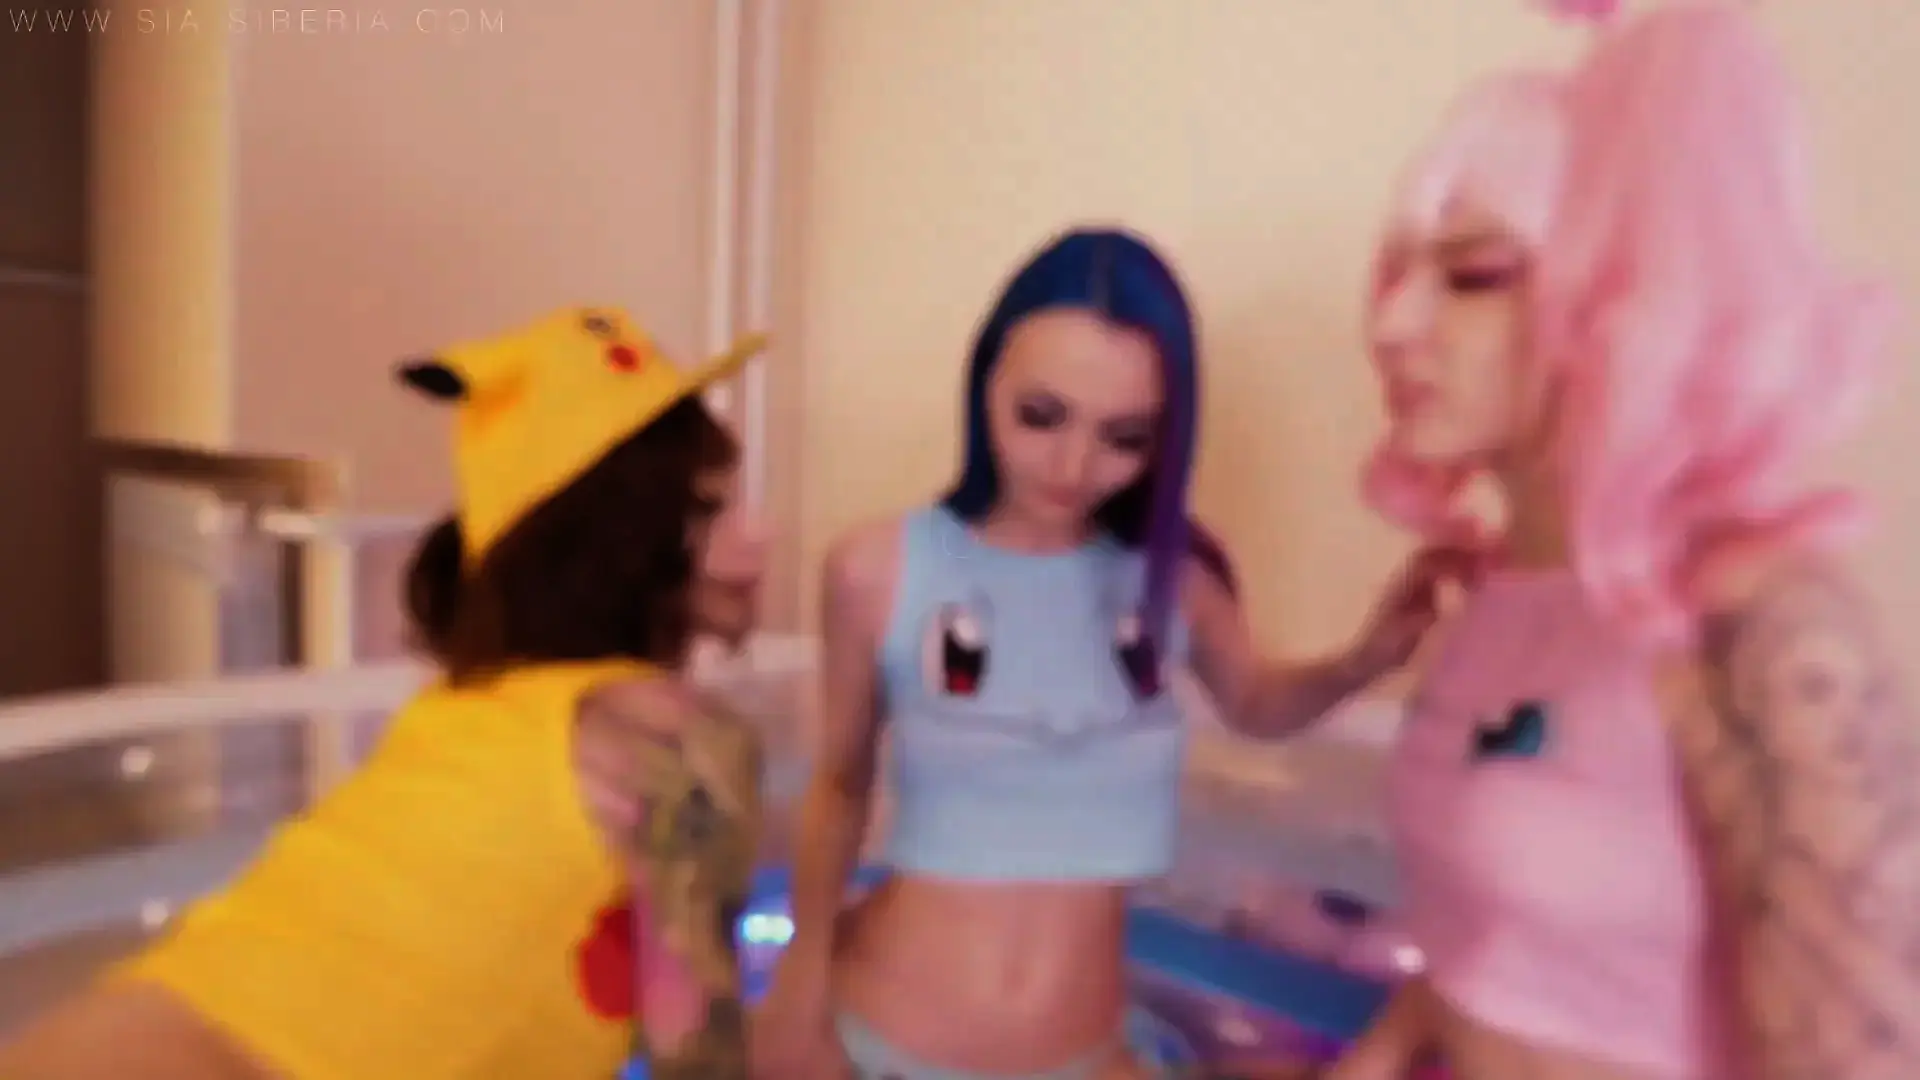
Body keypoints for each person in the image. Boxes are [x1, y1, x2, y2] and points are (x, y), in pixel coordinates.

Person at [1334, 6, 1918, 1079]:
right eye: (1397, 275)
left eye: (1473, 274)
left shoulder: (1759, 622)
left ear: (1621, 296)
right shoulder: (1496, 594)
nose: (1393, 325)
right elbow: (1497, 956)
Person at [750, 227, 1461, 1080]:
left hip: (1086, 1055)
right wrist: (797, 991)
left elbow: (1257, 706)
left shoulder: (1170, 581)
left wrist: (1363, 659)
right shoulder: (878, 569)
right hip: (879, 1037)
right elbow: (839, 785)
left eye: (1124, 436)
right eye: (1040, 416)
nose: (1074, 464)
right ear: (984, 382)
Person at [0, 306, 773, 1080]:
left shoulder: (463, 709)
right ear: (619, 547)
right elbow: (700, 1066)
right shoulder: (677, 743)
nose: (759, 535)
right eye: (708, 512)